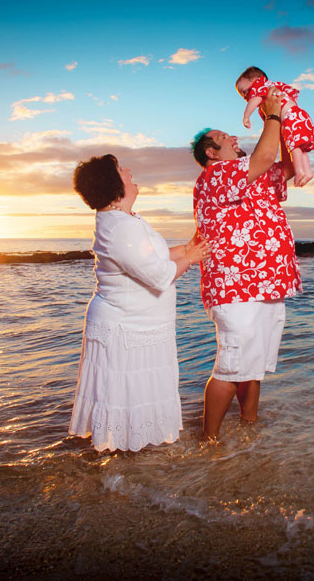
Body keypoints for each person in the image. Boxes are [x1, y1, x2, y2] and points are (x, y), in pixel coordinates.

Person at [69, 154, 210, 452]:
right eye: (121, 170)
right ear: (113, 184)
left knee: (129, 396)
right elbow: (158, 274)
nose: (129, 171)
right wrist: (191, 258)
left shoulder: (123, 220)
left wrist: (186, 248)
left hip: (135, 323)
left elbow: (150, 256)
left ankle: (126, 461)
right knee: (125, 394)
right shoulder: (121, 228)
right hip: (127, 328)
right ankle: (121, 468)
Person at [191, 88, 301, 440]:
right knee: (231, 366)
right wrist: (271, 115)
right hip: (235, 288)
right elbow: (266, 154)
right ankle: (208, 444)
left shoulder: (248, 177)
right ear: (212, 152)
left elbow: (283, 164)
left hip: (266, 284)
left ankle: (250, 430)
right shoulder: (215, 177)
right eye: (225, 137)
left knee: (251, 367)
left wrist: (286, 115)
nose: (234, 137)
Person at [235, 66, 314, 187]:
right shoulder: (273, 88)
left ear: (254, 79)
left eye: (244, 91)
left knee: (294, 147)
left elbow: (255, 100)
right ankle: (308, 172)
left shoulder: (260, 87)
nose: (245, 96)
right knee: (300, 147)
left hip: (291, 117)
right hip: (300, 115)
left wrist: (246, 116)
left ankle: (300, 171)